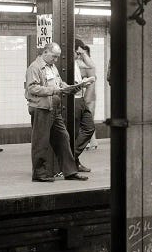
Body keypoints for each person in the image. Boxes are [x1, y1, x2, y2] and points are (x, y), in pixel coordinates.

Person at [25, 42, 88, 182]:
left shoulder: (52, 67)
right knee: (40, 142)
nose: (56, 60)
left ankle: (70, 171)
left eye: (57, 57)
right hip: (41, 108)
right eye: (54, 57)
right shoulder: (34, 67)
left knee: (63, 138)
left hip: (53, 108)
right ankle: (39, 174)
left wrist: (73, 87)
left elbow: (59, 84)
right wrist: (53, 90)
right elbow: (32, 88)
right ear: (45, 52)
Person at [71, 38, 96, 171]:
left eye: (81, 54)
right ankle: (73, 161)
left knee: (89, 127)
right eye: (78, 53)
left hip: (80, 99)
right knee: (74, 132)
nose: (80, 56)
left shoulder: (76, 61)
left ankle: (72, 157)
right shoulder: (66, 61)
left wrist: (82, 52)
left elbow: (92, 66)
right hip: (73, 100)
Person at [78, 45, 98, 150]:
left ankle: (91, 141)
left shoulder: (87, 66)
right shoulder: (82, 64)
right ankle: (92, 141)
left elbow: (92, 82)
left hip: (88, 96)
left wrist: (87, 98)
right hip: (87, 96)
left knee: (88, 119)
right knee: (88, 120)